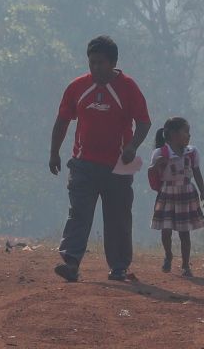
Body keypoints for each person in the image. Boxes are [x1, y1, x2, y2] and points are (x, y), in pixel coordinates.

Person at [50, 35, 151, 282]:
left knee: (117, 218)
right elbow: (63, 120)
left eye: (101, 63)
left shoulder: (128, 87)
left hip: (118, 166)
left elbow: (144, 122)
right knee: (79, 214)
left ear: (113, 62)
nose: (96, 68)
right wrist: (54, 152)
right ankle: (71, 262)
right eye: (92, 63)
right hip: (83, 163)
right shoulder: (77, 87)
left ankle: (118, 268)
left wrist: (132, 146)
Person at [150, 116, 204, 278]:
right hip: (167, 193)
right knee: (166, 229)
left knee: (184, 231)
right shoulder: (160, 153)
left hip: (186, 193)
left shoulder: (191, 152)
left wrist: (202, 191)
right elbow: (152, 173)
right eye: (185, 132)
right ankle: (168, 254)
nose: (189, 135)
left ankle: (185, 265)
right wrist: (157, 164)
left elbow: (196, 171)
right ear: (173, 134)